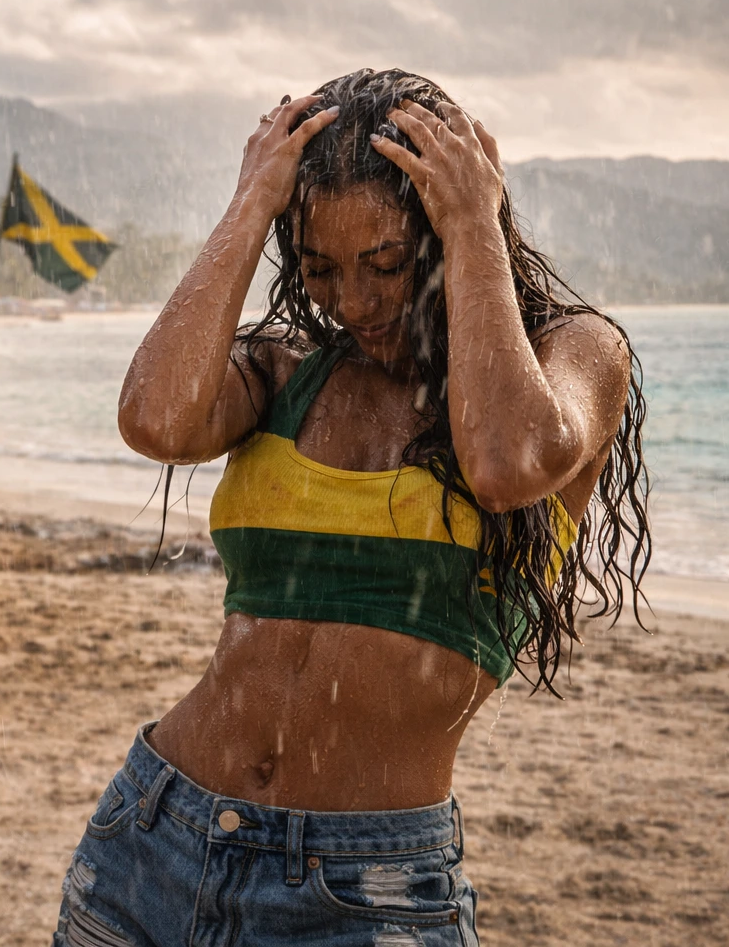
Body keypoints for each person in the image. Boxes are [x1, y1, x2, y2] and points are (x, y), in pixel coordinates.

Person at [54, 69, 650, 945]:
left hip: (368, 889)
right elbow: (156, 418)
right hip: (156, 841)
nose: (354, 303)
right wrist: (251, 206)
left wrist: (473, 223)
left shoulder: (576, 353)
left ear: (445, 229)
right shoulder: (287, 371)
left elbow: (505, 464)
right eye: (320, 269)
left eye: (387, 264)